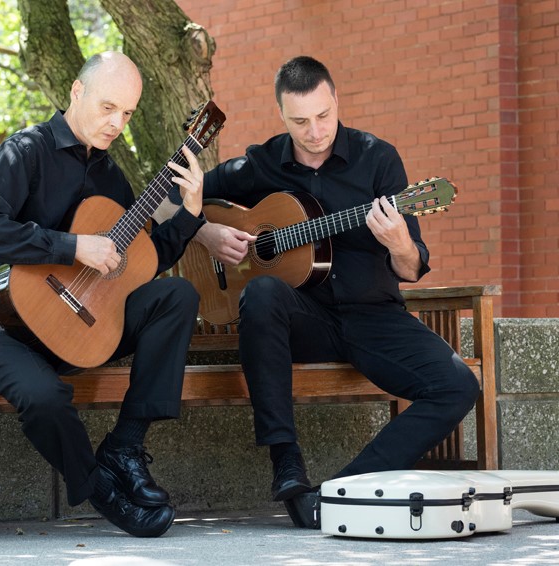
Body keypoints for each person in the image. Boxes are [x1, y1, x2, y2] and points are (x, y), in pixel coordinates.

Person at [159, 55, 480, 527]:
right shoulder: (261, 163)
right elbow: (166, 200)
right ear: (281, 115)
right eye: (300, 121)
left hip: (374, 317)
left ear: (336, 101)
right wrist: (205, 232)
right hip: (302, 319)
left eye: (323, 116)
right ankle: (286, 463)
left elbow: (411, 268)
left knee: (458, 386)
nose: (314, 131)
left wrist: (399, 243)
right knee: (262, 292)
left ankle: (341, 492)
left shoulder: (378, 159)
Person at [0, 51, 207, 538]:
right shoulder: (24, 151)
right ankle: (103, 492)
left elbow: (141, 261)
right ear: (77, 91)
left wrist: (190, 214)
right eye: (108, 107)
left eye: (127, 113)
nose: (117, 123)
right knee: (44, 397)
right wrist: (72, 246)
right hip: (3, 326)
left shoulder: (112, 178)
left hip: (83, 328)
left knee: (176, 296)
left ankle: (126, 446)